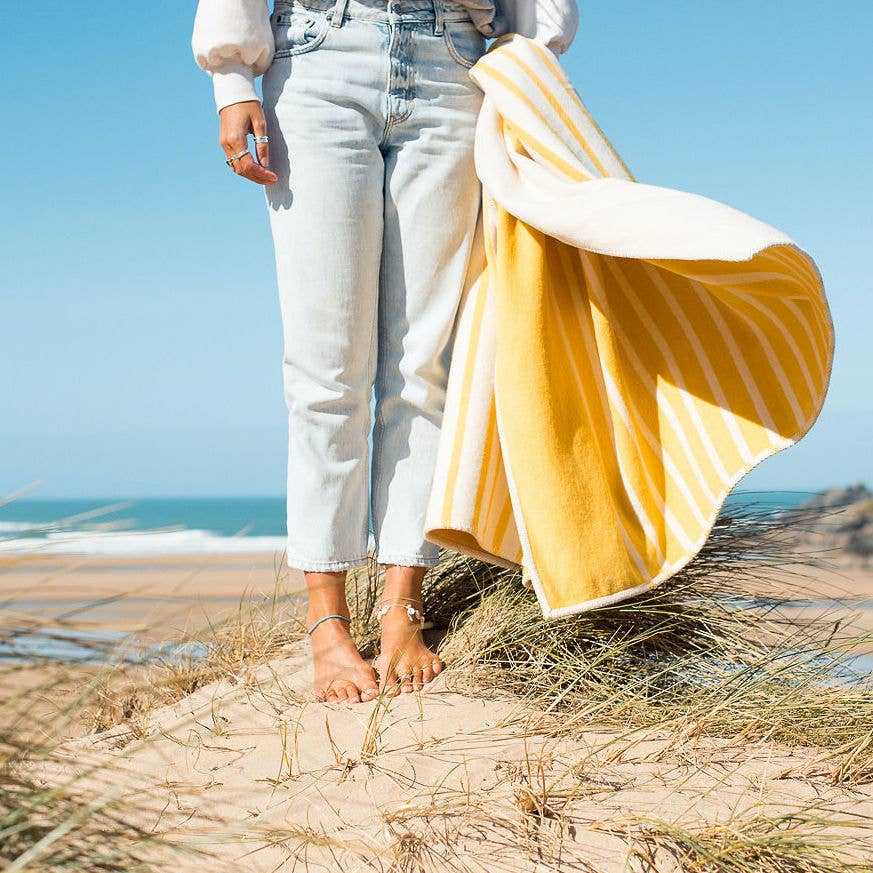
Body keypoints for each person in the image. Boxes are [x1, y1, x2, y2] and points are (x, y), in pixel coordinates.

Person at [191, 0, 578, 704]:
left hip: (456, 65)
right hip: (316, 56)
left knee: (424, 363)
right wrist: (232, 81)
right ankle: (325, 617)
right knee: (325, 367)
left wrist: (533, 64)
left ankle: (401, 605)